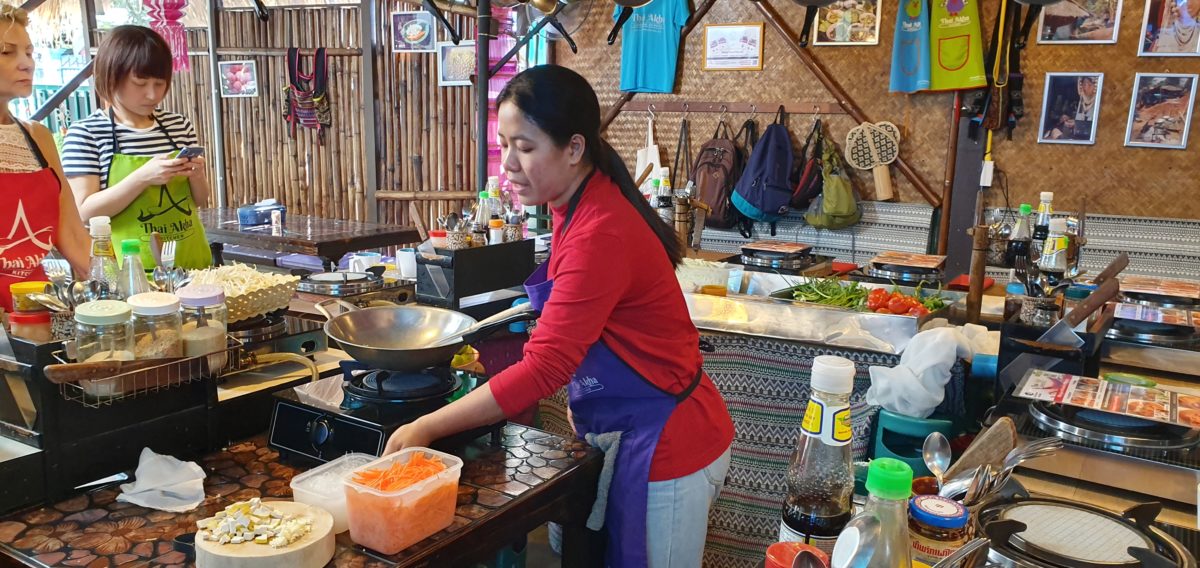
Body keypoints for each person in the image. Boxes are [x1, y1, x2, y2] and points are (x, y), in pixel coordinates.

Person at [384, 65, 735, 568]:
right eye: (503, 145)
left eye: (525, 147)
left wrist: (426, 426)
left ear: (574, 148)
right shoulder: (574, 205)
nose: (509, 164)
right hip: (621, 424)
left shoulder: (600, 231)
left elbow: (545, 367)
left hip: (667, 442)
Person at [62, 25, 212, 270]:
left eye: (159, 84)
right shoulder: (87, 133)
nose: (152, 95)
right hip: (130, 274)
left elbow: (200, 200)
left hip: (192, 265)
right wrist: (142, 178)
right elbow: (84, 212)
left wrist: (196, 176)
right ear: (111, 76)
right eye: (140, 83)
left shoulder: (178, 125)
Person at [0, 3, 90, 312]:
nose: (26, 64)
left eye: (29, 52)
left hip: (38, 308)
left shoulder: (38, 136)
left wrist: (122, 289)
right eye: (7, 52)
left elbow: (73, 235)